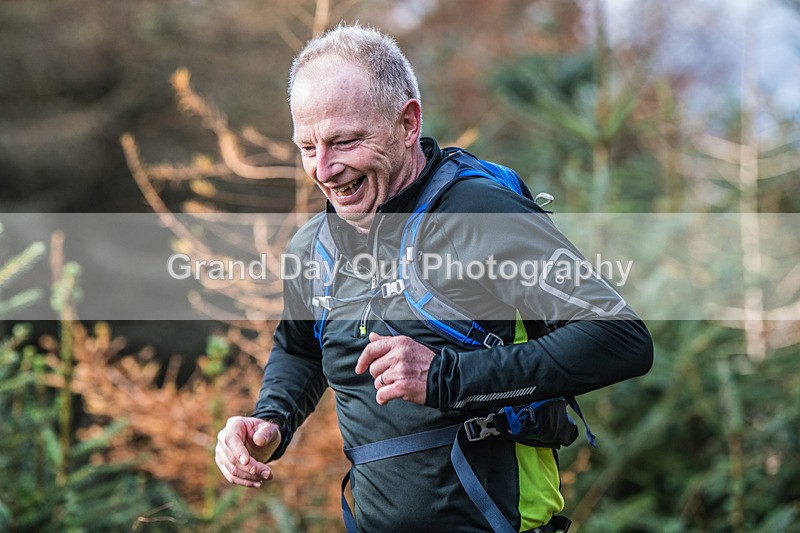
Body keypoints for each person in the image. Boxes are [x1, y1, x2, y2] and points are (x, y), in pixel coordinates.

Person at [215, 23, 653, 532]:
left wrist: (447, 378)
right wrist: (271, 419)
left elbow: (621, 338)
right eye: (307, 148)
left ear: (407, 123)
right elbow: (300, 348)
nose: (324, 170)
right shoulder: (314, 247)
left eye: (345, 141)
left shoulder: (478, 214)